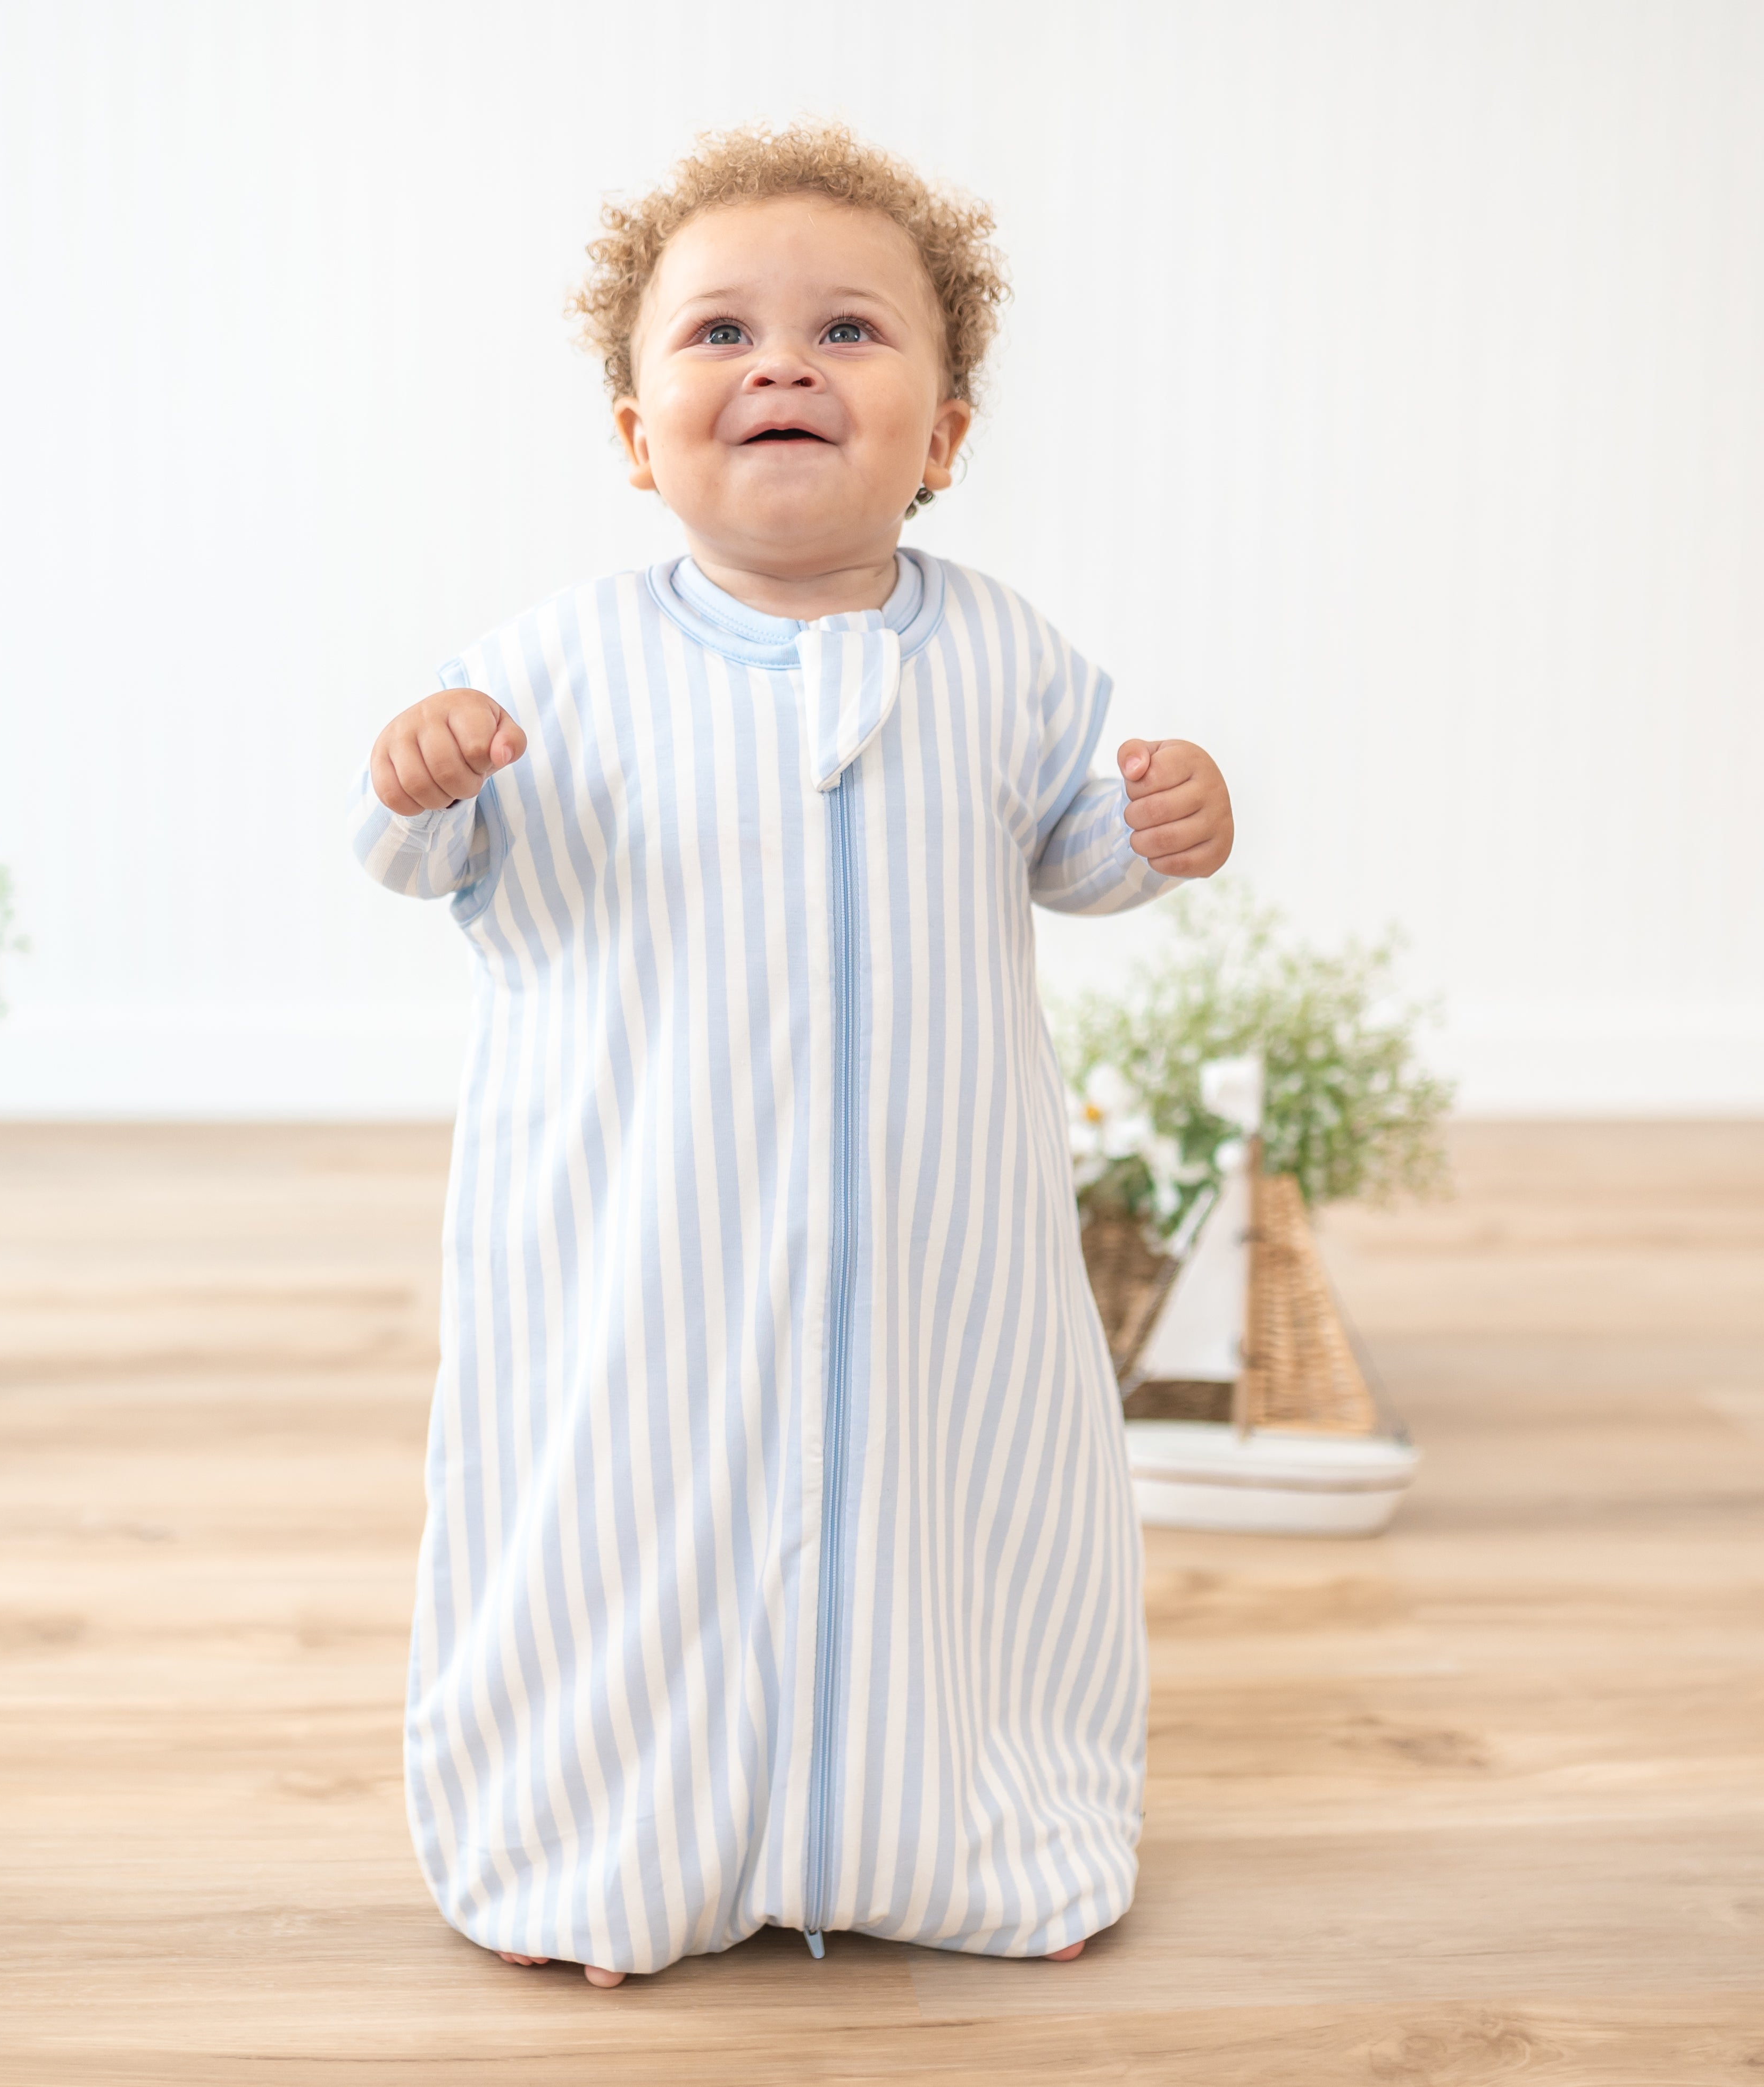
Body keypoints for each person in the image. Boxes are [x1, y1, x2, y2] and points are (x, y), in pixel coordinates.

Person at [352, 122, 1234, 1988]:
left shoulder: (1003, 657)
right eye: (720, 335)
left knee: (953, 1514)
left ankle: (960, 1823)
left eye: (847, 331)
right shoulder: (553, 667)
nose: (781, 364)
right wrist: (424, 774)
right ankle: (615, 1843)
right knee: (631, 1533)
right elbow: (439, 858)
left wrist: (1159, 818)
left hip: (937, 1254)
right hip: (638, 1261)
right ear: (630, 431)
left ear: (946, 432)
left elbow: (1073, 849)